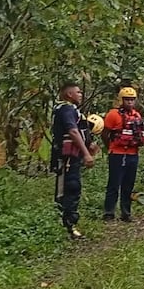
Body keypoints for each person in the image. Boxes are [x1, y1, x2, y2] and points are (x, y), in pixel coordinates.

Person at [51, 81, 95, 241]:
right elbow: (73, 131)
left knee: (71, 188)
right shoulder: (67, 109)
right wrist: (86, 154)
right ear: (69, 94)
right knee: (70, 189)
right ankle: (68, 226)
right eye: (78, 92)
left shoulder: (70, 110)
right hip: (67, 159)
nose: (81, 94)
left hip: (71, 158)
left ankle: (66, 224)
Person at [103, 86, 144, 222]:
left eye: (132, 100)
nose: (130, 102)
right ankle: (109, 213)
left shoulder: (136, 115)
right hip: (117, 153)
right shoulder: (112, 115)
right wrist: (110, 147)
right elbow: (105, 133)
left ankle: (126, 213)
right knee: (114, 184)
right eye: (127, 99)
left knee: (128, 185)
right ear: (121, 100)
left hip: (133, 154)